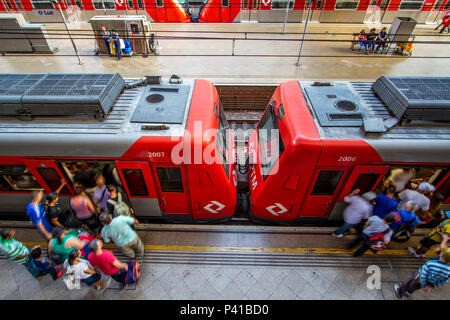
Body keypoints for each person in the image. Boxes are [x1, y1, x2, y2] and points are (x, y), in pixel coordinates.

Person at [394, 234, 450, 298]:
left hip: (418, 277)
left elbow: (423, 274)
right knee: (416, 286)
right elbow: (444, 281)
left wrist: (424, 284)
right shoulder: (448, 270)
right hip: (430, 282)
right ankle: (408, 292)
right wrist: (431, 285)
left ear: (441, 255)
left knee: (408, 282)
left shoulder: (431, 264)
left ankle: (399, 292)